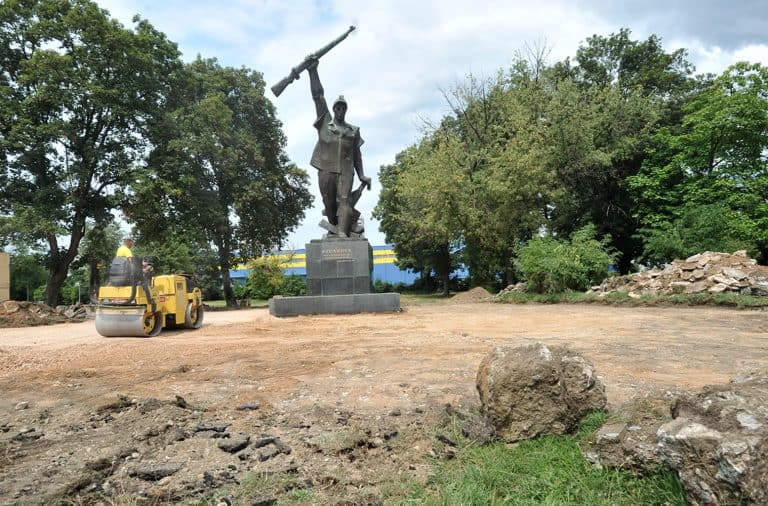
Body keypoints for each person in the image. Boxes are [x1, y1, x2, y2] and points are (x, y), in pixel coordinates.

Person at [307, 58, 371, 238]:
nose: (340, 110)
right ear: (334, 109)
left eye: (343, 107)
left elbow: (357, 155)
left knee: (344, 200)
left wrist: (361, 175)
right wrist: (313, 71)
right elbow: (318, 96)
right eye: (338, 107)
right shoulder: (325, 123)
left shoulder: (353, 131)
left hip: (346, 171)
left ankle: (342, 233)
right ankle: (337, 225)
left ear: (346, 110)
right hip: (326, 169)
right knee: (329, 203)